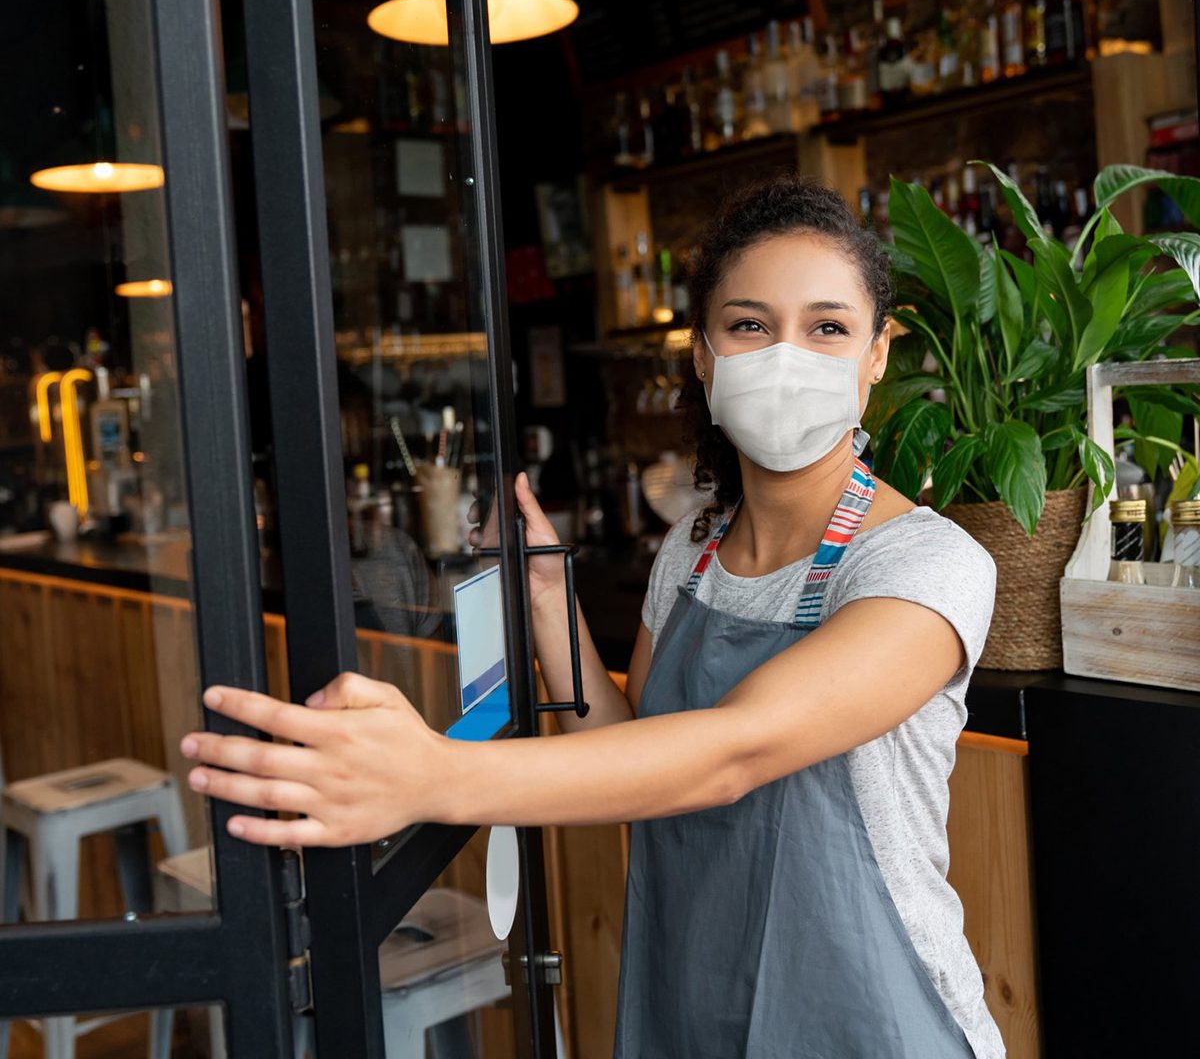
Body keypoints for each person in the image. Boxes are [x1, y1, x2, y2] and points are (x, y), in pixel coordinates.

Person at [181, 175, 1005, 1058]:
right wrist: (547, 601)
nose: (786, 355)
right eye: (750, 324)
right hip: (688, 997)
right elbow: (634, 745)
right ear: (703, 354)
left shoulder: (924, 564)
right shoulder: (690, 549)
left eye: (828, 327)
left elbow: (734, 752)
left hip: (868, 1019)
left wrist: (431, 776)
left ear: (877, 355)